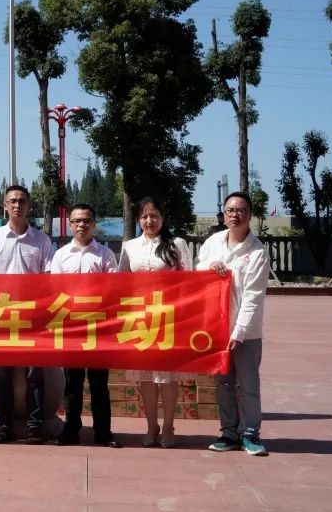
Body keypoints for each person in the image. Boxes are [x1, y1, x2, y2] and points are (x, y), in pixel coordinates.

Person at [0, 185, 55, 445]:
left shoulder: (42, 240)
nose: (17, 205)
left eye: (22, 201)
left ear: (29, 206)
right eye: (12, 201)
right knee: (2, 374)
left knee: (36, 373)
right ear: (4, 205)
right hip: (2, 315)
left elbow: (47, 280)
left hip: (32, 316)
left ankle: (35, 425)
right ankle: (3, 424)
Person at [197, 191, 269, 456]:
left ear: (249, 215)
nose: (235, 215)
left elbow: (252, 298)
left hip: (246, 333)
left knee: (248, 385)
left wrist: (238, 332)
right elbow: (197, 270)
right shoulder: (213, 242)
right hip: (216, 327)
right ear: (223, 214)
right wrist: (209, 266)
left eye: (241, 210)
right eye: (230, 210)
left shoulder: (258, 252)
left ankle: (251, 434)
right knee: (223, 384)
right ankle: (228, 433)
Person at [119, 196, 193, 448]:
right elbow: (122, 282)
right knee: (146, 376)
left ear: (162, 217)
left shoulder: (177, 244)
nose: (149, 221)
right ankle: (151, 425)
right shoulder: (129, 247)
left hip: (169, 317)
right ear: (138, 219)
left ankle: (169, 424)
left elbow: (190, 282)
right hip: (140, 317)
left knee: (168, 377)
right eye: (144, 216)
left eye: (154, 215)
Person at [50, 203, 121, 448]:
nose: (82, 225)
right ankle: (71, 429)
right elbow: (54, 291)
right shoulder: (60, 256)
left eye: (87, 220)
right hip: (71, 328)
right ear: (70, 224)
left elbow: (113, 290)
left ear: (94, 223)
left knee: (99, 383)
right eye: (77, 221)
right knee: (72, 383)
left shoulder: (105, 255)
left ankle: (103, 432)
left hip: (98, 328)